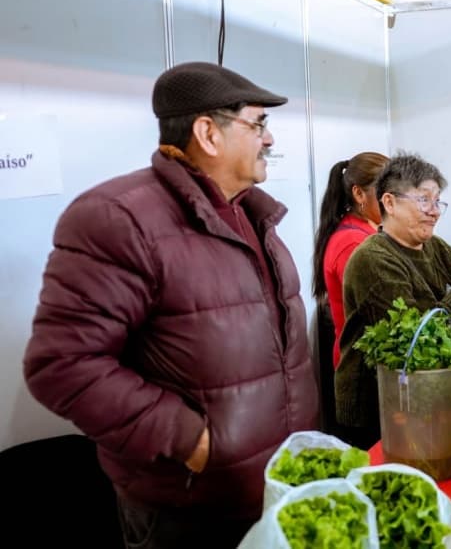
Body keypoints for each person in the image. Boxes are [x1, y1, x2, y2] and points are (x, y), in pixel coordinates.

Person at [23, 62, 319, 549]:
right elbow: (61, 365)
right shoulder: (120, 219)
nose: (269, 139)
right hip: (191, 512)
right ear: (208, 133)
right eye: (258, 124)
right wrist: (191, 441)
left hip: (272, 494)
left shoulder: (250, 214)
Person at [334, 153, 451, 449]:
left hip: (421, 396)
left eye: (438, 202)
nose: (434, 212)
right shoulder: (372, 259)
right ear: (389, 202)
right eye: (424, 200)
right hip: (377, 407)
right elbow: (416, 340)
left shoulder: (435, 247)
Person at [311, 151, 389, 436]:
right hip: (361, 378)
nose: (392, 201)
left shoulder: (368, 234)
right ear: (359, 194)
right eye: (385, 192)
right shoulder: (351, 242)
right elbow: (381, 311)